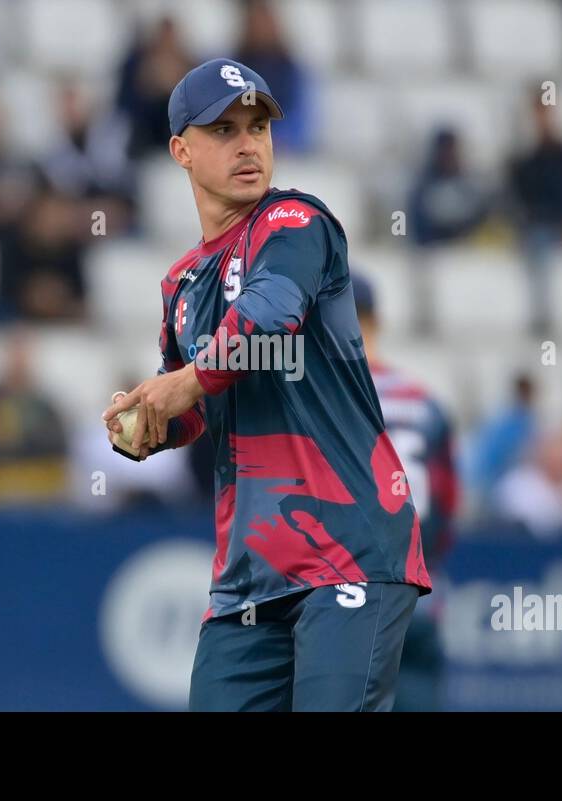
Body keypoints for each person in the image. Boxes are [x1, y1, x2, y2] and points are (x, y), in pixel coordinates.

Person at [100, 59, 431, 712]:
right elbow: (201, 410)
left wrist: (185, 383)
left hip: (350, 549)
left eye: (257, 126)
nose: (248, 144)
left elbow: (269, 318)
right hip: (249, 574)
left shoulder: (294, 224)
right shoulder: (181, 283)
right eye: (224, 129)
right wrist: (150, 425)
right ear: (181, 150)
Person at [352, 274, 460, 712]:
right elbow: (448, 509)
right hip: (418, 594)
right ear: (377, 321)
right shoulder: (424, 402)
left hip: (345, 599)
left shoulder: (319, 398)